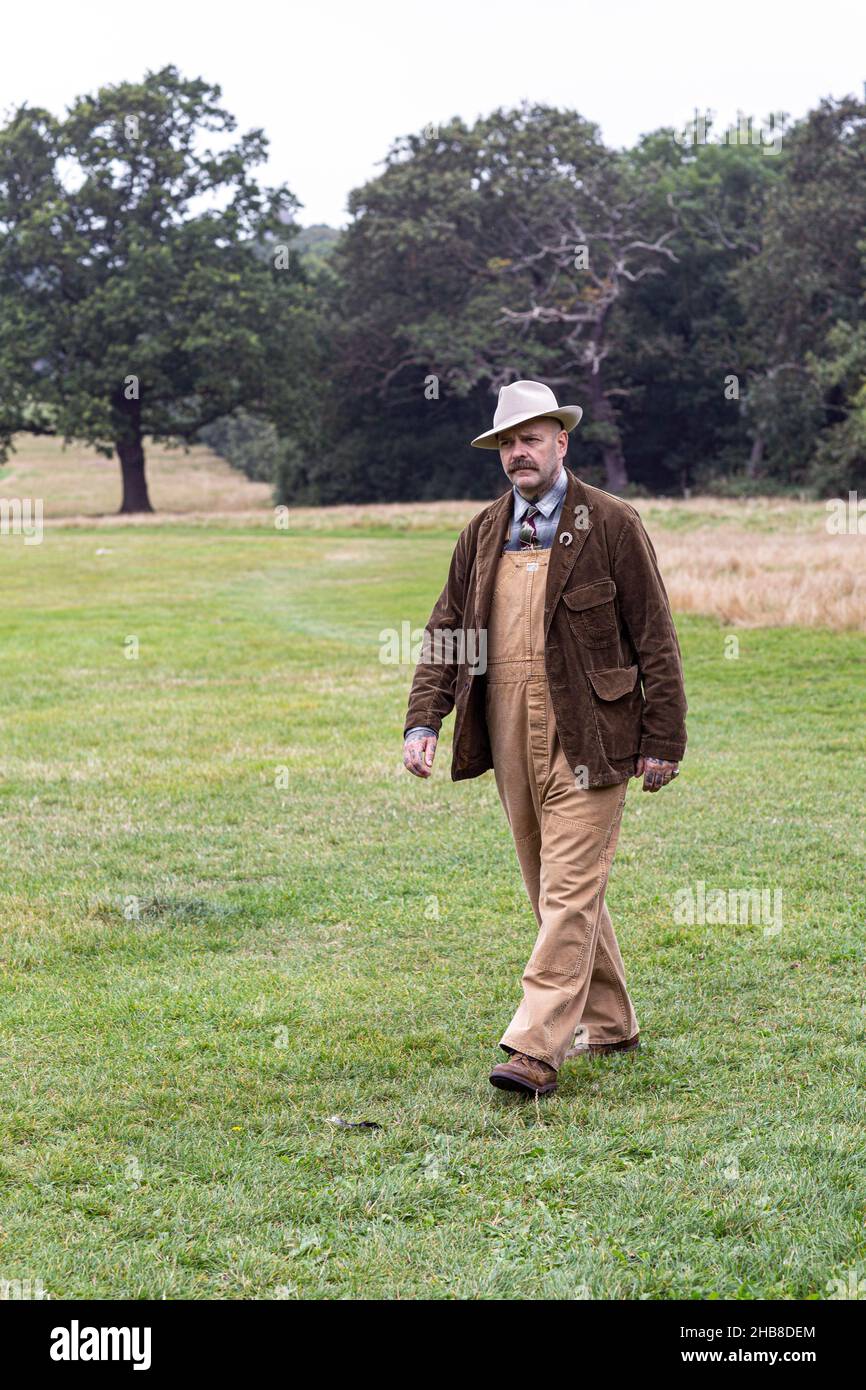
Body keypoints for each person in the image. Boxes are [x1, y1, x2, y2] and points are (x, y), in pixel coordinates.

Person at [402, 380, 687, 1098]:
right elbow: (448, 633)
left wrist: (665, 738)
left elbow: (656, 638)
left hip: (595, 734)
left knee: (565, 894)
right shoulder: (481, 532)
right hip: (504, 728)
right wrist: (422, 720)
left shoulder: (614, 522)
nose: (518, 453)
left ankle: (533, 1047)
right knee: (551, 888)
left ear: (563, 441)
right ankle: (613, 1021)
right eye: (507, 442)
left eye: (531, 438)